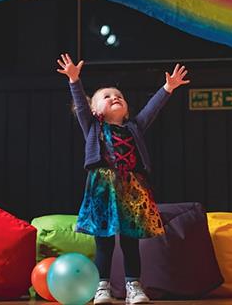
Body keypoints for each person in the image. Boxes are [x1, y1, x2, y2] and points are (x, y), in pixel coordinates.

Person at [56, 53, 190, 304]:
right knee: (104, 243)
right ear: (96, 110)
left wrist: (167, 88)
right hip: (103, 190)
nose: (114, 97)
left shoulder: (134, 128)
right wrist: (74, 80)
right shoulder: (93, 127)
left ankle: (133, 287)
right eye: (106, 97)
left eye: (118, 96)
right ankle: (102, 288)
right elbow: (81, 106)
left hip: (132, 190)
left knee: (130, 243)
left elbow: (152, 109)